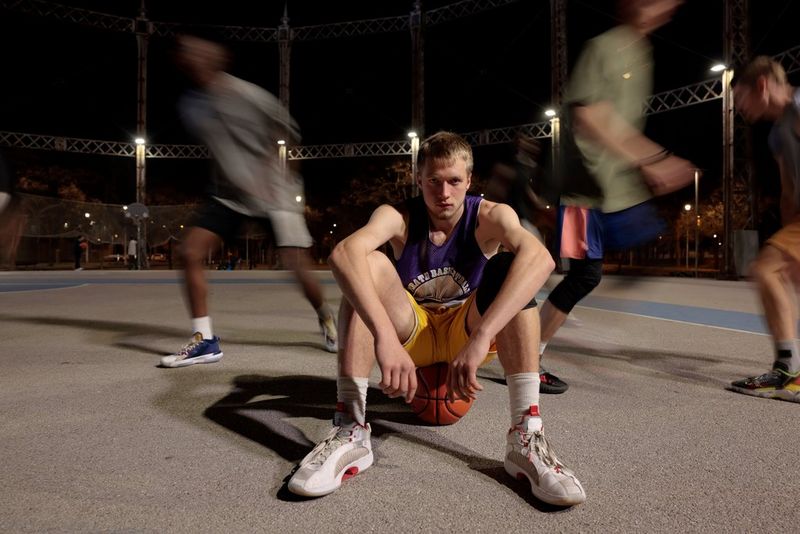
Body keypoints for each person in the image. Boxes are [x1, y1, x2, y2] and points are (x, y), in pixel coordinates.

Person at [287, 132, 586, 506]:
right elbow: (344, 253)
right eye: (433, 181)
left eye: (454, 181)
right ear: (419, 179)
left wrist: (482, 339)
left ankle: (525, 435)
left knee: (515, 266)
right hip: (414, 332)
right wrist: (385, 338)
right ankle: (351, 427)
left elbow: (541, 259)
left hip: (468, 328)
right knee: (364, 266)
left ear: (469, 181)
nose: (443, 192)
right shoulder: (397, 215)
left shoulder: (491, 215)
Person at [159, 33, 338, 368]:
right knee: (189, 252)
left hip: (274, 194)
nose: (193, 56)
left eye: (200, 49)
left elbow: (288, 134)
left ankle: (325, 315)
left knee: (295, 267)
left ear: (217, 59)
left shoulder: (248, 94)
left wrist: (277, 171)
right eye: (187, 52)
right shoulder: (192, 106)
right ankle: (204, 340)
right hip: (228, 196)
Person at [537, 0, 695, 375]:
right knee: (584, 275)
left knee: (647, 242)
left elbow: (619, 124)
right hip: (583, 188)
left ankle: (532, 337)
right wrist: (652, 159)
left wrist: (647, 162)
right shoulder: (603, 48)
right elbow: (588, 116)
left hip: (619, 192)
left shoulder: (643, 53)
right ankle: (528, 352)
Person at [728, 56, 800, 400]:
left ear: (761, 85)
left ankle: (789, 370)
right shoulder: (776, 134)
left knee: (766, 269)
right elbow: (788, 190)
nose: (740, 108)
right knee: (783, 273)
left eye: (741, 99)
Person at [485, 137, 570, 394]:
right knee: (529, 263)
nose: (531, 148)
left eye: (533, 146)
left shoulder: (527, 168)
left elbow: (530, 195)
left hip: (522, 219)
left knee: (532, 263)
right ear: (517, 147)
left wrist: (543, 207)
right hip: (511, 220)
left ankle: (542, 299)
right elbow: (494, 191)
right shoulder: (507, 168)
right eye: (526, 145)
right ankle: (539, 303)